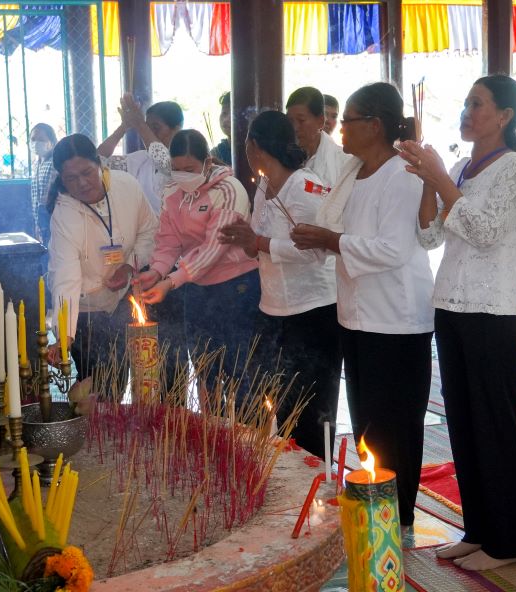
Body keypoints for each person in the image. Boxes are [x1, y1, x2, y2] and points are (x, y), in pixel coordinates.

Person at [400, 74, 516, 570]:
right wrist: (426, 181)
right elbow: (429, 237)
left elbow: (484, 232)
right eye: (465, 102)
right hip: (452, 306)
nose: (466, 111)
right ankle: (479, 530)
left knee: (497, 425)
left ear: (504, 116)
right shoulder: (459, 166)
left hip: (494, 311)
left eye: (477, 104)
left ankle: (510, 541)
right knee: (464, 424)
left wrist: (437, 178)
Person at [291, 82, 434, 528]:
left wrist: (331, 240)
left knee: (395, 424)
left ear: (373, 126)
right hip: (356, 314)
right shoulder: (355, 173)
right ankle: (377, 501)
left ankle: (398, 516)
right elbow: (344, 235)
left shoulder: (402, 173)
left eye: (347, 120)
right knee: (369, 419)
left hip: (396, 318)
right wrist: (322, 238)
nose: (340, 128)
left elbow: (392, 249)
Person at [218, 111, 341, 458]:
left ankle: (318, 492)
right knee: (284, 407)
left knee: (313, 414)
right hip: (273, 310)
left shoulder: (305, 186)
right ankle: (292, 489)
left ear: (253, 146)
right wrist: (245, 240)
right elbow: (261, 246)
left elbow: (318, 250)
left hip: (313, 313)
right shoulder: (264, 186)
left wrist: (258, 243)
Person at [135, 130, 259, 393]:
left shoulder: (229, 189)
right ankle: (211, 429)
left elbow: (215, 248)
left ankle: (243, 430)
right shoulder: (172, 190)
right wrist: (156, 271)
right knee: (204, 366)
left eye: (190, 168)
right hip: (194, 286)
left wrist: (171, 281)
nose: (183, 176)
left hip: (235, 287)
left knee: (238, 368)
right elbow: (168, 240)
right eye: (177, 169)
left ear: (208, 162)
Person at [45, 134, 158, 380]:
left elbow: (149, 229)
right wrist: (64, 335)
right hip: (84, 312)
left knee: (124, 377)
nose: (82, 184)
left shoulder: (126, 185)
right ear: (61, 179)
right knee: (95, 385)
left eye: (87, 172)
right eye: (71, 178)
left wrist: (129, 266)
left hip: (122, 300)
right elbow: (66, 278)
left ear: (100, 163)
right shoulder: (64, 214)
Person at [99, 95, 181, 214]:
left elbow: (165, 163)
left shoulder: (186, 160)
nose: (148, 133)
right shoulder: (141, 159)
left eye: (156, 127)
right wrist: (124, 127)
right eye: (148, 127)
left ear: (176, 130)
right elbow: (97, 161)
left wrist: (140, 124)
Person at [286, 87, 348, 188]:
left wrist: (308, 189)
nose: (295, 128)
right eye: (290, 121)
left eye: (301, 120)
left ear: (320, 121)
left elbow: (326, 195)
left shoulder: (343, 161)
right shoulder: (283, 156)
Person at [30, 123, 58, 245]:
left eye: (41, 139)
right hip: (40, 219)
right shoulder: (36, 164)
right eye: (33, 139)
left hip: (53, 217)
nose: (36, 143)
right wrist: (37, 224)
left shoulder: (55, 162)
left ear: (51, 142)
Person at [210, 92, 232, 166]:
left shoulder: (254, 151)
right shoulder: (216, 153)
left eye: (232, 114)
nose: (226, 120)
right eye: (224, 113)